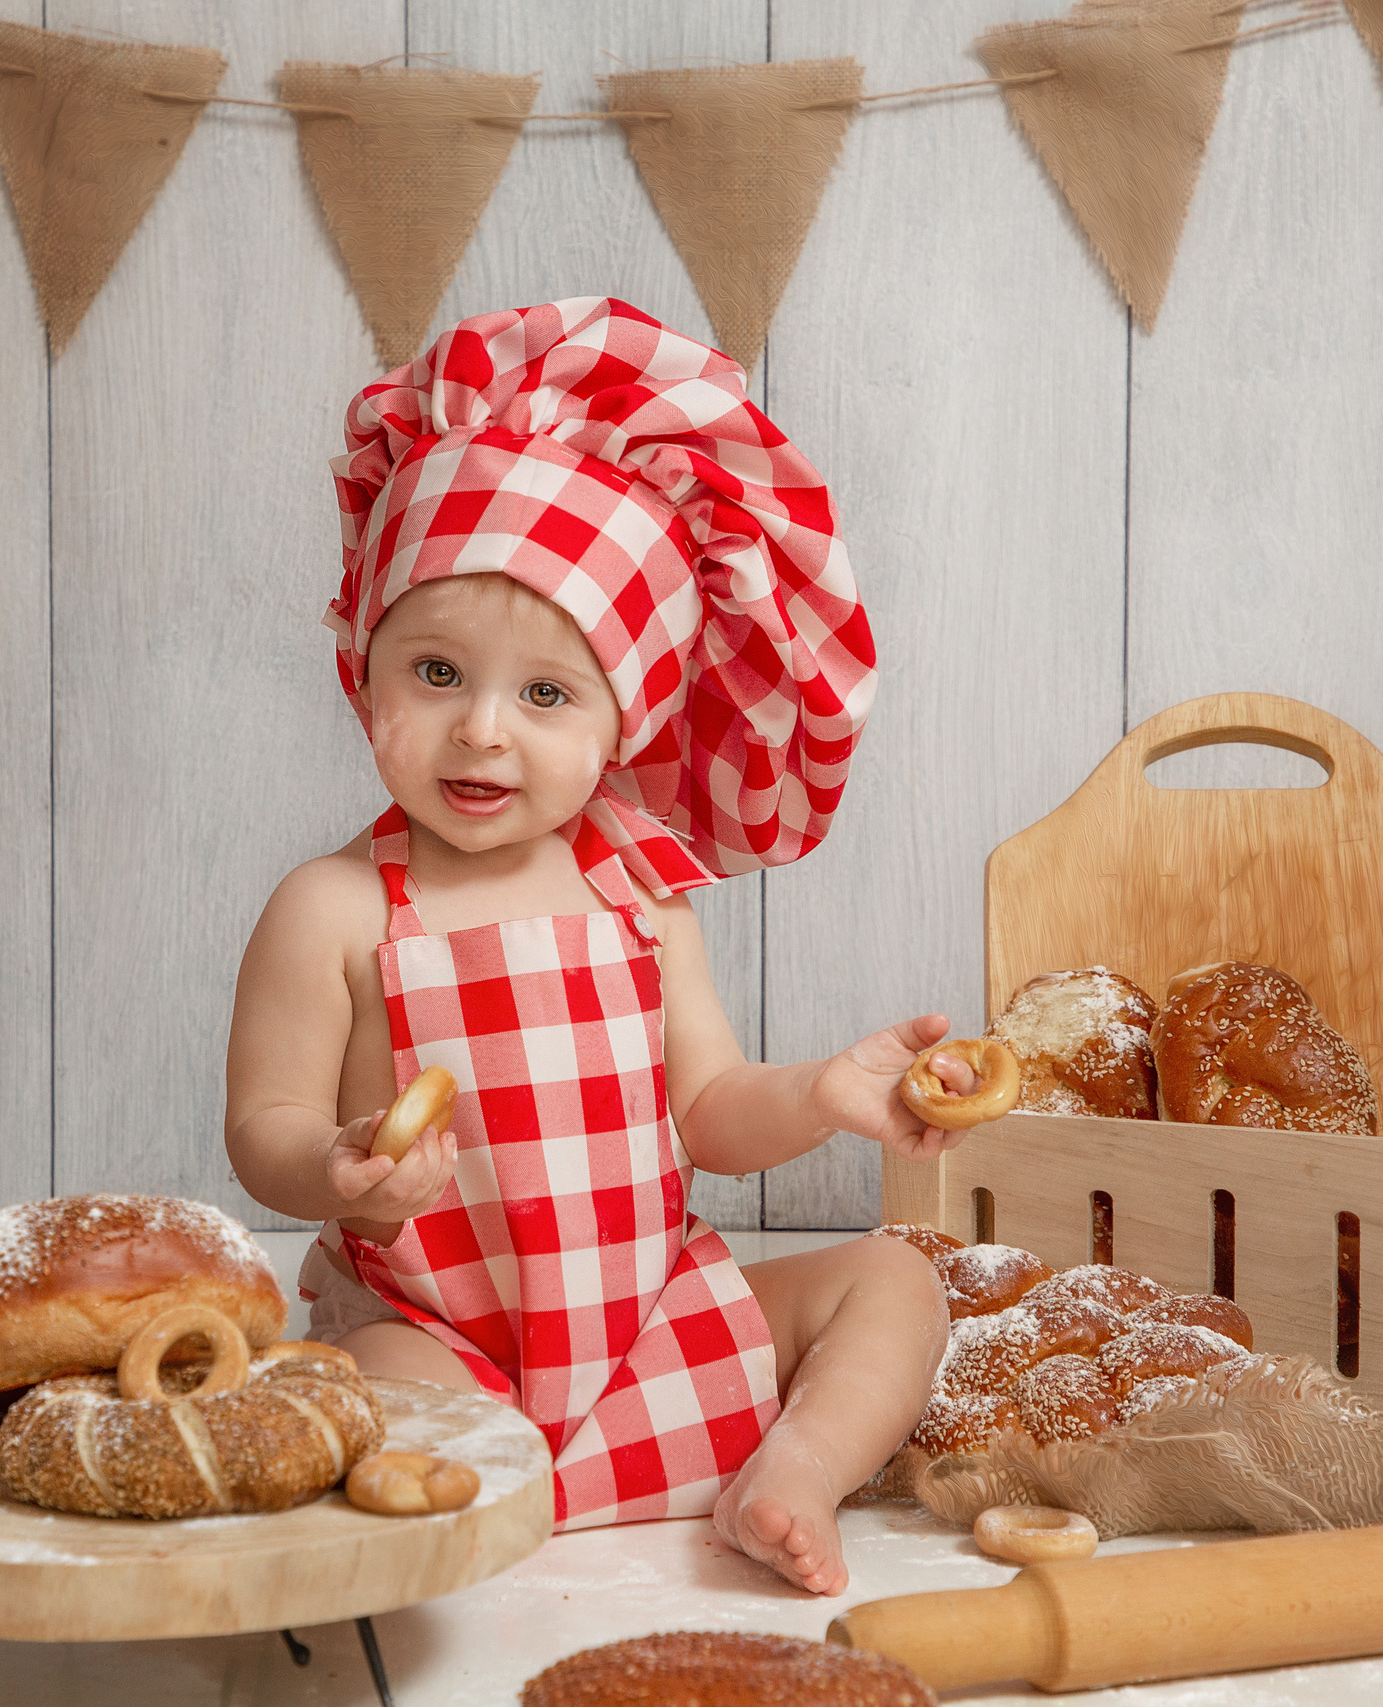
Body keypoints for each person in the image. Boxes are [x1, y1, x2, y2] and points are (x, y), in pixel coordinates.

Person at [225, 298, 974, 1597]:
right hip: (440, 1343)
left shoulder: (639, 891)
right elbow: (265, 1127)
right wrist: (337, 1170)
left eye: (547, 694)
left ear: (623, 720)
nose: (483, 735)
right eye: (438, 673)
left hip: (646, 1346)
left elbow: (708, 1115)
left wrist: (823, 1094)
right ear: (365, 666)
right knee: (347, 1402)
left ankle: (789, 1471)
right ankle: (476, 1492)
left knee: (899, 1288)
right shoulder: (334, 909)